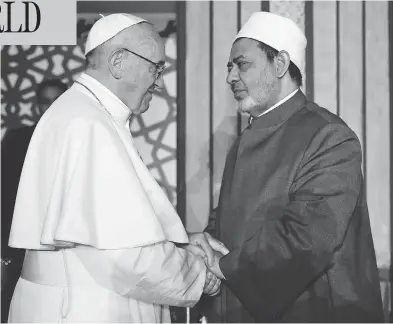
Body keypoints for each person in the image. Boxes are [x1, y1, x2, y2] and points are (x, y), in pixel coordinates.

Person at [7, 14, 227, 323]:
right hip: (88, 308)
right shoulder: (89, 124)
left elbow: (117, 230)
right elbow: (128, 257)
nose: (160, 82)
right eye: (156, 67)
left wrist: (181, 242)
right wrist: (199, 273)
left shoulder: (84, 113)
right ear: (118, 61)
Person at [202, 12, 384, 322]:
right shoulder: (244, 139)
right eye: (229, 67)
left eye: (242, 64)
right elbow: (231, 216)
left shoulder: (329, 135)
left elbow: (308, 237)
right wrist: (206, 241)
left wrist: (219, 267)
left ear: (280, 64)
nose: (231, 77)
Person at [1, 78, 67, 323]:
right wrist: (5, 245)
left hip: (69, 241)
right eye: (44, 101)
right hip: (23, 239)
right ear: (36, 105)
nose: (50, 107)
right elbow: (5, 192)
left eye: (57, 101)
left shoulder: (80, 138)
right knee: (17, 303)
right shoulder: (17, 140)